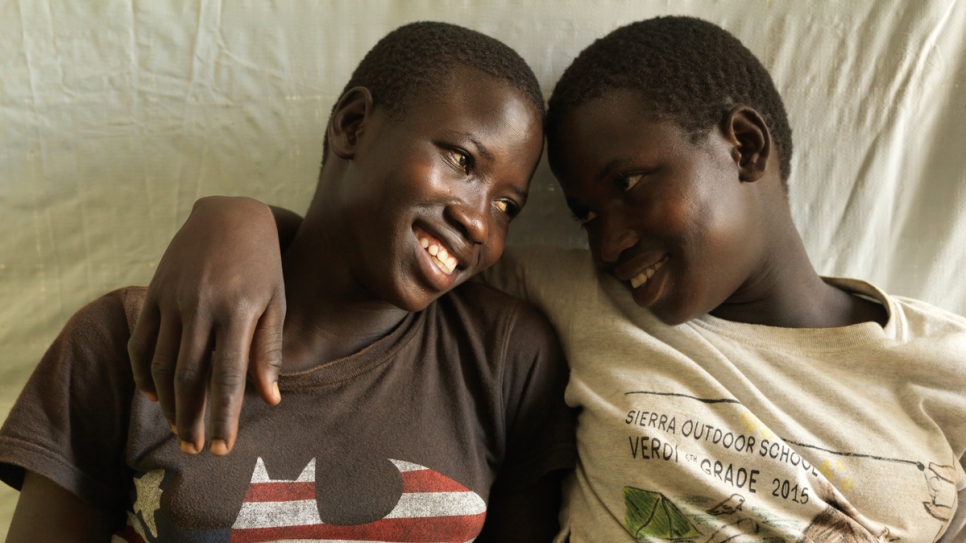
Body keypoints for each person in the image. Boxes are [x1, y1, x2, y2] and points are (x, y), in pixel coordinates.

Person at [110, 16, 965, 543]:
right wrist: (236, 218)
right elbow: (384, 249)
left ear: (743, 146)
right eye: (587, 216)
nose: (610, 242)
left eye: (628, 186)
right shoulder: (579, 303)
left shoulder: (941, 365)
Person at [0, 22, 576, 543]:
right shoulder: (127, 336)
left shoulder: (506, 359)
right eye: (460, 160)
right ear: (353, 126)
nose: (479, 221)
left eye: (507, 205)